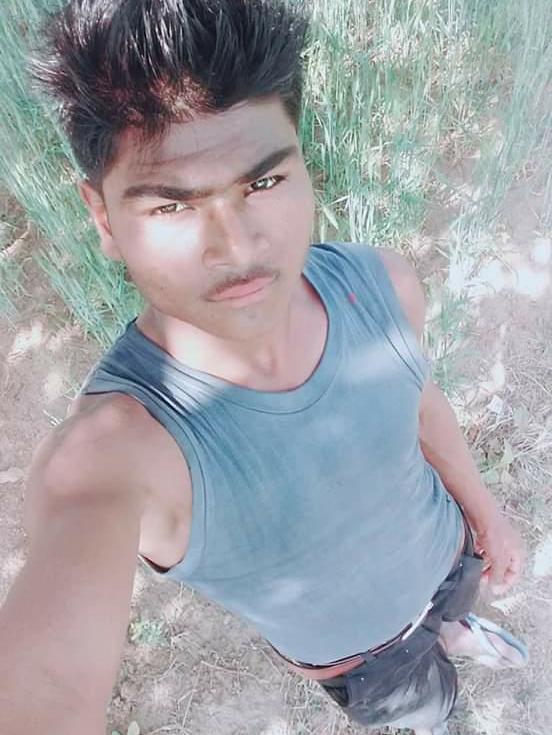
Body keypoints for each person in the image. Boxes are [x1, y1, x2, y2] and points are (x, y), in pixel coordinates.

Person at [0, 1, 528, 734]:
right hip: (364, 658)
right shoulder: (118, 453)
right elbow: (47, 686)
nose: (237, 246)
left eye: (263, 183)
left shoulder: (380, 284)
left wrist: (484, 510)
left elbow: (417, 401)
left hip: (449, 557)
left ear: (302, 162)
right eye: (172, 206)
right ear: (102, 218)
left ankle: (457, 630)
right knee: (426, 702)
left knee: (452, 614)